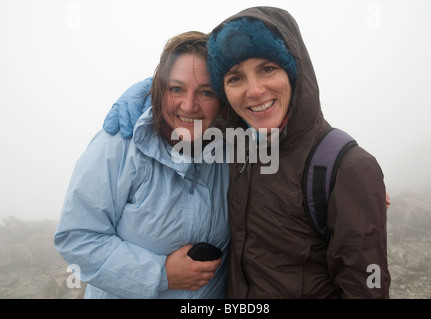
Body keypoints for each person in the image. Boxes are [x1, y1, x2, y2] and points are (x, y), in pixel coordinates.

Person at [104, 6, 391, 298]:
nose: (253, 91)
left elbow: (367, 288)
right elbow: (189, 103)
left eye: (267, 69)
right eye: (235, 78)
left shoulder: (345, 167)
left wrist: (358, 185)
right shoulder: (236, 139)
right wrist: (146, 92)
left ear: (294, 73)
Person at [54, 31, 231, 299]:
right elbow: (77, 237)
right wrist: (160, 274)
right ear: (159, 89)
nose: (189, 104)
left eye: (206, 91)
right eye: (176, 88)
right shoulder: (121, 142)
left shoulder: (232, 152)